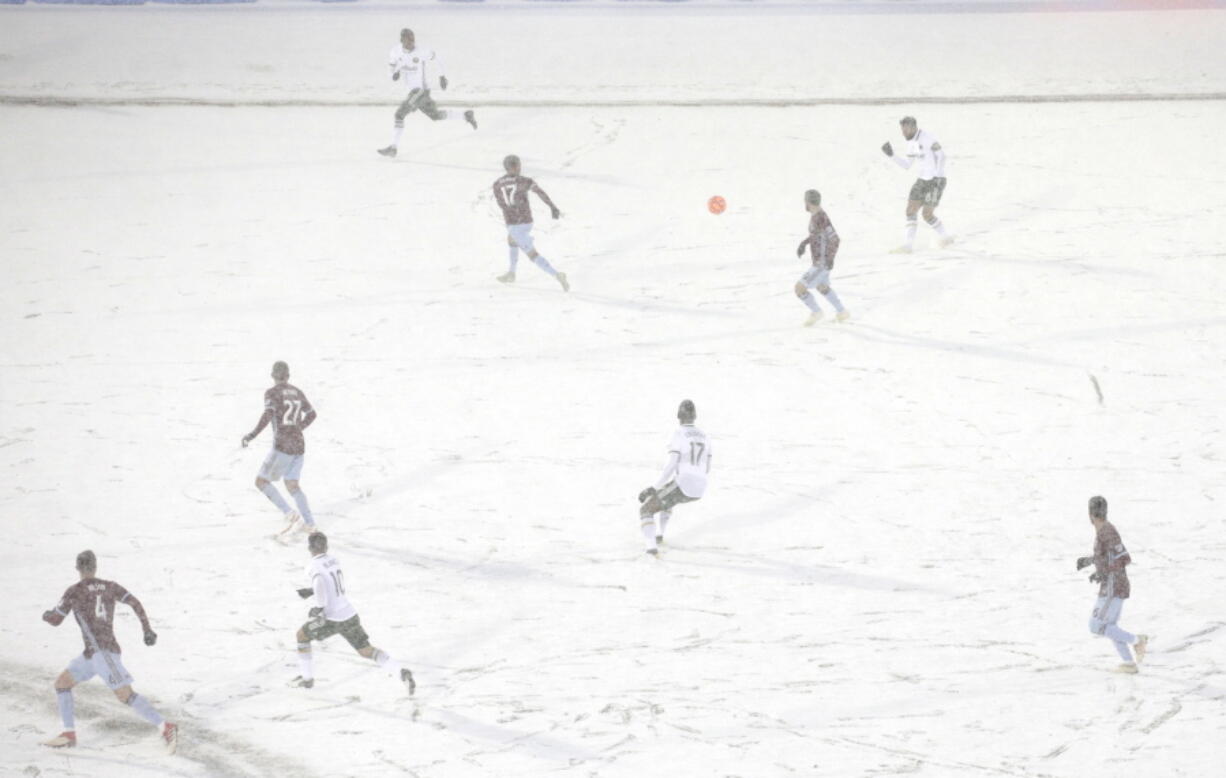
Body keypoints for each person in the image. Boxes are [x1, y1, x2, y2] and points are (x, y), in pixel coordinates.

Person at [41, 551, 178, 753]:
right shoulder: (109, 587)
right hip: (93, 654)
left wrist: (47, 615)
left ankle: (165, 727)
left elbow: (55, 620)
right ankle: (69, 734)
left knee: (125, 695)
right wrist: (146, 629)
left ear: (78, 568)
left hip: (103, 654)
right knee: (63, 683)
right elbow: (135, 603)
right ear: (95, 567)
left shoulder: (75, 591)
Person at [289, 532, 416, 695]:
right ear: (327, 547)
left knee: (302, 636)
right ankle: (401, 672)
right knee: (366, 650)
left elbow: (320, 581)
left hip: (331, 619)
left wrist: (318, 607)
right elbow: (330, 583)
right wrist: (311, 590)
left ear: (309, 548)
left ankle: (307, 680)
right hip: (349, 614)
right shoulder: (333, 561)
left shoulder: (313, 567)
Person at [242, 361, 318, 538]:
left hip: (283, 446)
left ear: (273, 376)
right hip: (299, 445)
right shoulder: (298, 392)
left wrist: (252, 435)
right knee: (292, 484)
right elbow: (312, 414)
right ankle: (310, 523)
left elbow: (268, 415)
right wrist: (298, 428)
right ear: (288, 376)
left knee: (261, 482)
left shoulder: (272, 393)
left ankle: (289, 514)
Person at [377, 28, 477, 158]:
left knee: (399, 114)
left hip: (421, 91)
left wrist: (442, 76)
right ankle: (465, 115)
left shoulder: (422, 51)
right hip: (413, 92)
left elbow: (437, 59)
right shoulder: (395, 52)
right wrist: (393, 75)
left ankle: (393, 147)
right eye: (409, 40)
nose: (412, 42)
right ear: (402, 40)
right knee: (435, 116)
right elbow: (391, 69)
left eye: (413, 39)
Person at [1076, 496, 1149, 673]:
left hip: (1113, 586)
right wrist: (1091, 561)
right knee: (1110, 627)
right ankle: (1128, 662)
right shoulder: (1104, 530)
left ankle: (1137, 641)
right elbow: (1109, 556)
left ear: (1090, 514)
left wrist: (1102, 571)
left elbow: (1124, 558)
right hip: (1112, 584)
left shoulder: (1107, 531)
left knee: (1096, 625)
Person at [637, 400, 711, 556]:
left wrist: (654, 487)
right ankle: (659, 536)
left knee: (645, 509)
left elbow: (671, 465)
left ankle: (651, 551)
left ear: (678, 415)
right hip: (701, 488)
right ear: (695, 416)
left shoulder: (678, 433)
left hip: (685, 484)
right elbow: (707, 468)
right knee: (668, 497)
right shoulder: (706, 436)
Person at [493, 155, 569, 290]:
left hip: (513, 223)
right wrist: (552, 207)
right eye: (518, 165)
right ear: (516, 166)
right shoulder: (524, 181)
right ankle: (511, 273)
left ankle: (557, 275)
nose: (519, 167)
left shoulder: (497, 184)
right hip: (525, 221)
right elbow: (540, 192)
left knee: (532, 254)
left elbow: (501, 204)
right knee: (511, 240)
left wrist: (510, 215)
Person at [880, 116, 954, 253]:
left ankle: (946, 237)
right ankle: (908, 246)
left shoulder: (927, 138)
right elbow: (907, 165)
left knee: (927, 215)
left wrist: (937, 176)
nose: (903, 133)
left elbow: (942, 155)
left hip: (936, 180)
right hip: (922, 180)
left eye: (906, 130)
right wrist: (892, 155)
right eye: (902, 130)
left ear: (914, 128)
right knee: (910, 211)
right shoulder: (911, 143)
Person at [794, 189, 849, 326]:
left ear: (808, 202)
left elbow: (835, 239)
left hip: (821, 263)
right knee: (821, 286)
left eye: (805, 201)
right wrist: (804, 243)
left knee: (799, 288)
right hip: (822, 262)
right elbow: (817, 235)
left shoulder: (821, 217)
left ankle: (816, 312)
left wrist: (829, 258)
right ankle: (842, 312)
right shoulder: (816, 216)